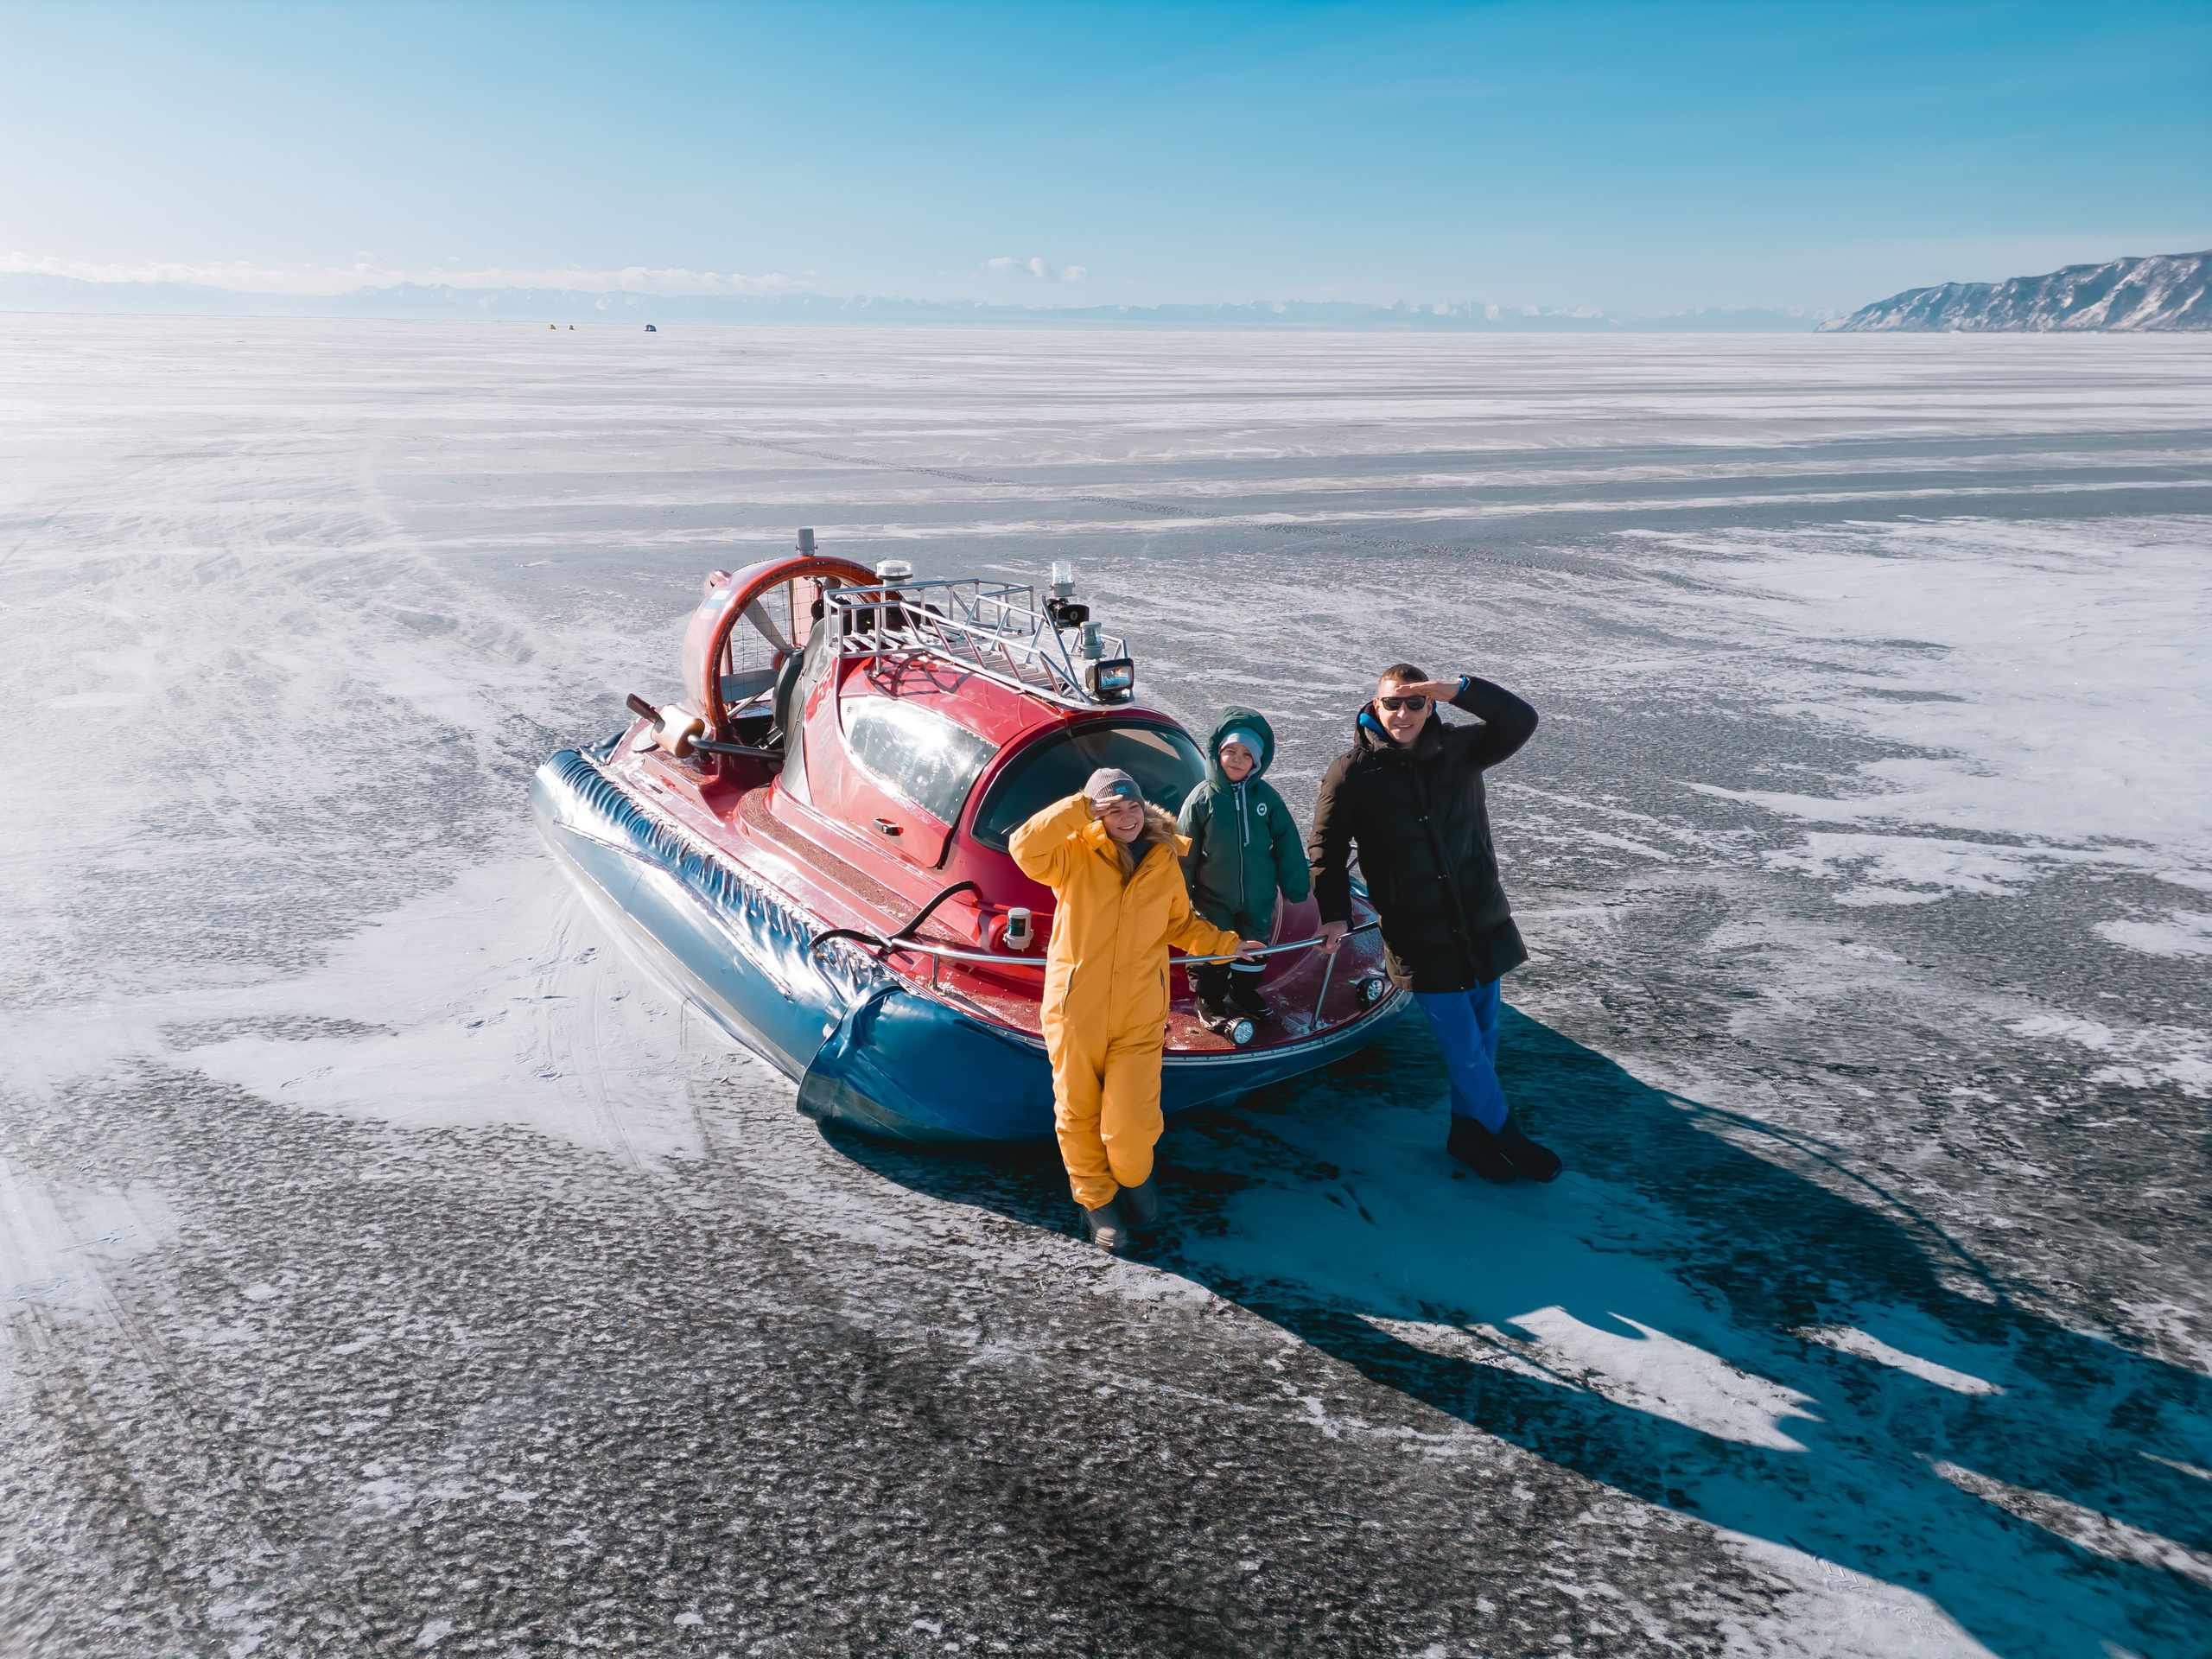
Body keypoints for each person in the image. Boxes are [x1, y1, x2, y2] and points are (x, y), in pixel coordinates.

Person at [1308, 664, 1561, 1185]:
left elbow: (1521, 720)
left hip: (1478, 919)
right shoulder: (1351, 773)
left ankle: (1466, 1137)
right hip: (1417, 934)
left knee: (1485, 1039)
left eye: (1415, 703)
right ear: (1373, 708)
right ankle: (1506, 1135)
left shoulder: (1461, 750)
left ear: (1431, 706)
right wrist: (1333, 913)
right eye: (1392, 703)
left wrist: (1464, 689)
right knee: (1465, 1051)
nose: (1403, 713)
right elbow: (1325, 854)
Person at [1011, 770, 1268, 1250]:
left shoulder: (1162, 858)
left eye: (1132, 808)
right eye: (1113, 810)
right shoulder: (1072, 854)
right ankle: (1096, 1202)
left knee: (1131, 1122)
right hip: (1075, 1009)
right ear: (1096, 812)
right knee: (1078, 1112)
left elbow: (1181, 924)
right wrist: (1082, 806)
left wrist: (1228, 945)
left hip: (1138, 1013)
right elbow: (1025, 849)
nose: (1126, 818)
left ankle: (1134, 1176)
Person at [1177, 708, 1313, 1030]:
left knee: (1255, 945)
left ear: (1258, 761)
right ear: (1217, 754)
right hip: (1213, 896)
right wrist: (1177, 897)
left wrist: (1295, 885)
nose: (1237, 760)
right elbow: (1183, 852)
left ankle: (1243, 992)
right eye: (1230, 752)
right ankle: (1209, 1000)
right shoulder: (1202, 799)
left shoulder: (1267, 798)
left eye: (1246, 754)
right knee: (1212, 946)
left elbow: (1287, 843)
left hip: (1258, 895)